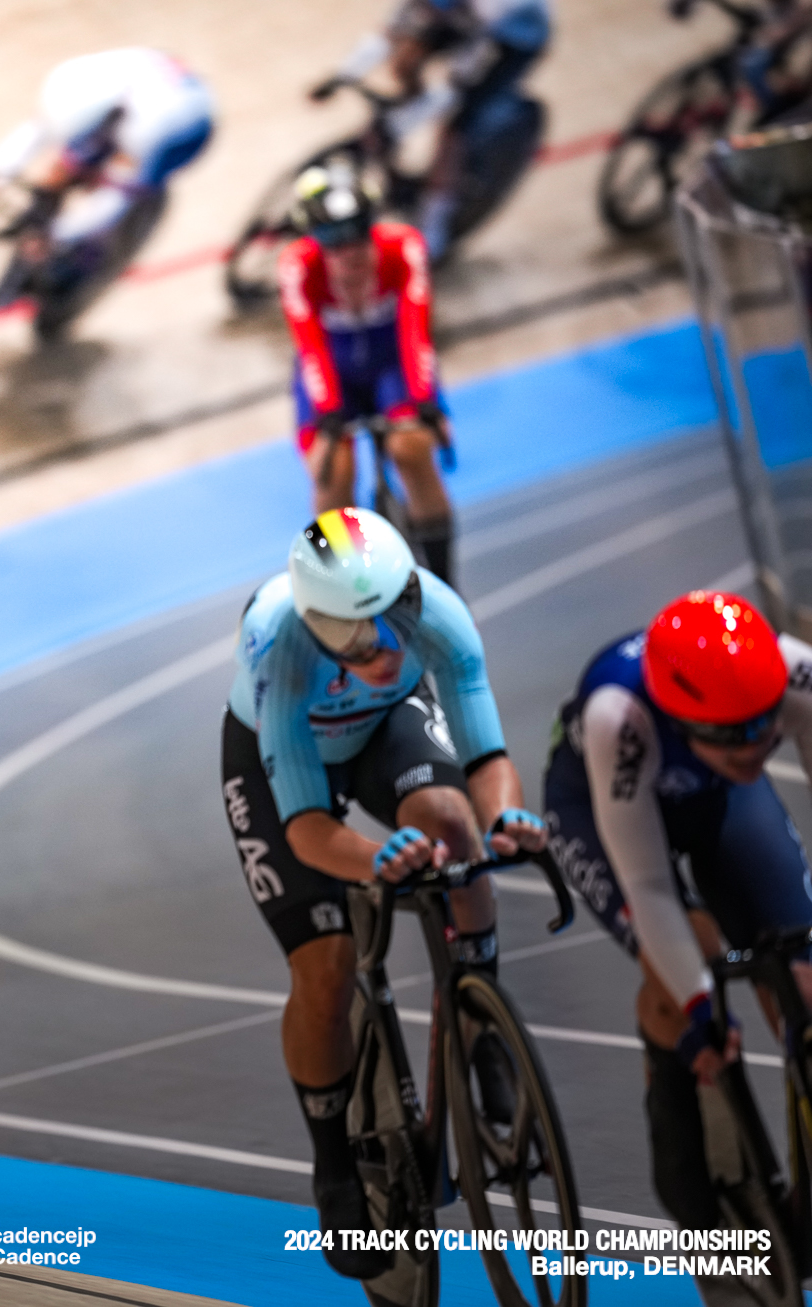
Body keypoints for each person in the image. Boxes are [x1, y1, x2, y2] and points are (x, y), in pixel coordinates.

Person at [219, 507, 544, 1280]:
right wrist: (376, 855)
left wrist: (507, 818)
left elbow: (486, 752)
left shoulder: (438, 614)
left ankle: (479, 1015)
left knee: (452, 822)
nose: (383, 643)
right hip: (282, 763)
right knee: (325, 966)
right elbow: (303, 830)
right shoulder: (281, 647)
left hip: (379, 730)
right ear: (314, 621)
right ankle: (332, 1154)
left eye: (391, 617)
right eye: (355, 635)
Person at [543, 591, 812, 1232]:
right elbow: (648, 883)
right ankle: (676, 1105)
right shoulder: (621, 717)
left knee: (802, 972)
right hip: (598, 807)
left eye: (763, 727)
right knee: (691, 964)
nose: (755, 747)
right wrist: (697, 1004)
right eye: (731, 735)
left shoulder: (796, 671)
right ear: (682, 719)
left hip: (715, 796)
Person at [278, 164, 457, 587]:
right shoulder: (296, 267)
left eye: (359, 234)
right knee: (331, 470)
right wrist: (328, 412)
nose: (349, 251)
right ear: (314, 243)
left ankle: (448, 581)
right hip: (333, 372)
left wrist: (424, 401)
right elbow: (310, 346)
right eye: (332, 241)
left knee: (411, 448)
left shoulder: (404, 247)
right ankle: (338, 587)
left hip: (391, 365)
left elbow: (416, 332)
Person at [0, 47, 214, 332]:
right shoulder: (76, 80)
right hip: (133, 99)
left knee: (107, 204)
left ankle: (87, 267)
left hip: (181, 132)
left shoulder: (144, 135)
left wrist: (57, 233)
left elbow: (111, 203)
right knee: (60, 173)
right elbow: (37, 128)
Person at [323, 0, 551, 260]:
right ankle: (396, 142)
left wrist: (411, 117)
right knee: (406, 60)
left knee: (457, 127)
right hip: (467, 20)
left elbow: (460, 79)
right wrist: (344, 75)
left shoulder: (496, 10)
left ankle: (434, 226)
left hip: (510, 40)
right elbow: (393, 28)